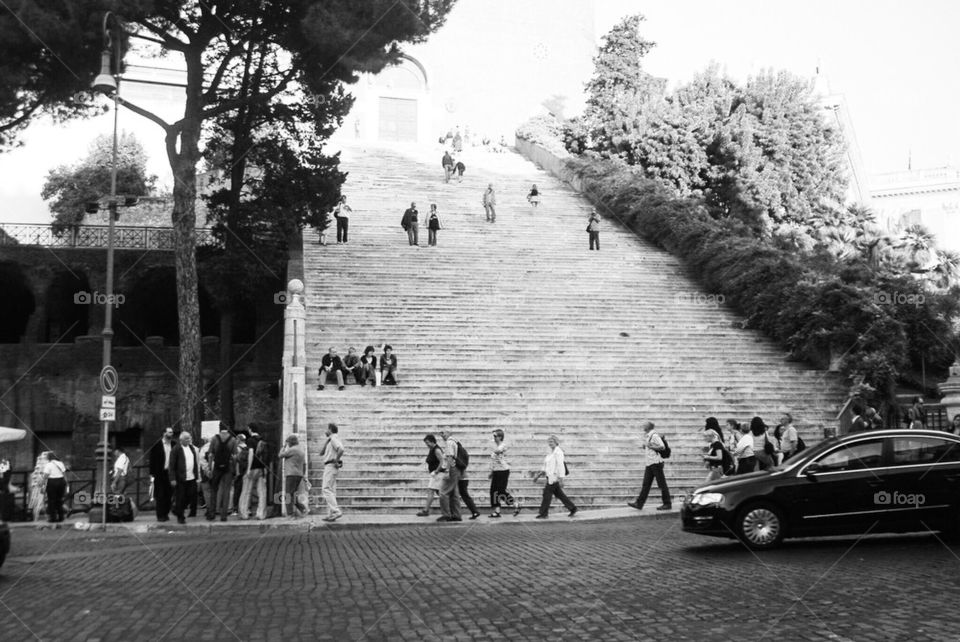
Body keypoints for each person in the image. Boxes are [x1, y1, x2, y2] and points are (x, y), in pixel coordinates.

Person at [627, 422, 672, 511]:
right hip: (650, 463)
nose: (643, 426)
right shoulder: (648, 435)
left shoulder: (654, 435)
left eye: (644, 425)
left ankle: (667, 503)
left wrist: (650, 446)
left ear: (648, 427)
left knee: (661, 484)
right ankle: (639, 503)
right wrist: (646, 446)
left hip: (656, 463)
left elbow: (662, 447)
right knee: (646, 484)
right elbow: (651, 446)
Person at [533, 435, 577, 518]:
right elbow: (545, 465)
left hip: (554, 477)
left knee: (546, 494)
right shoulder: (550, 452)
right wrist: (538, 475)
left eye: (552, 442)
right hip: (549, 476)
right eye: (549, 442)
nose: (550, 443)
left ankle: (543, 513)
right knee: (560, 495)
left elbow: (561, 465)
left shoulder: (558, 452)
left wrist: (561, 479)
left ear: (556, 442)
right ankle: (572, 508)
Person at [206, 424, 237, 522]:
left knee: (214, 489)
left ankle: (212, 513)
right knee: (227, 490)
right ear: (227, 429)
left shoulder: (214, 439)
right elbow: (235, 456)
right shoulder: (233, 440)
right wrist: (234, 468)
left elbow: (210, 454)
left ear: (219, 429)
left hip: (217, 468)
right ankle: (224, 515)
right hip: (228, 468)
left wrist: (210, 468)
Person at [169, 431, 200, 524]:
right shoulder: (176, 449)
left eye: (189, 438)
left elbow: (195, 462)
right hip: (181, 478)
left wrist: (196, 476)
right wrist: (172, 478)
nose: (189, 440)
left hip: (191, 477)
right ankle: (180, 516)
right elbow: (172, 465)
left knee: (191, 495)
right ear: (181, 440)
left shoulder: (191, 448)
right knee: (180, 497)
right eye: (186, 439)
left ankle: (176, 509)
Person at [488, 429, 520, 518]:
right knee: (493, 491)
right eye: (493, 436)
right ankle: (497, 511)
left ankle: (515, 504)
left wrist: (492, 446)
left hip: (503, 471)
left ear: (500, 437)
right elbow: (493, 460)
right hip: (496, 471)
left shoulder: (503, 445)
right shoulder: (495, 446)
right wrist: (491, 471)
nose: (494, 438)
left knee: (501, 490)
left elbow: (498, 451)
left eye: (495, 436)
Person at [239, 429, 269, 520]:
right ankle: (261, 514)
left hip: (252, 469)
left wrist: (248, 468)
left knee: (247, 491)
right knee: (262, 492)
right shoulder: (262, 440)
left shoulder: (250, 440)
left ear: (250, 429)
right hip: (261, 469)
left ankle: (244, 513)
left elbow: (251, 454)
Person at [149, 426, 176, 522]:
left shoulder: (174, 445)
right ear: (164, 433)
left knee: (169, 495)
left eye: (172, 433)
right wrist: (152, 473)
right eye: (169, 432)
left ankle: (166, 513)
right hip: (160, 473)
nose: (171, 434)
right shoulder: (157, 445)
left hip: (170, 473)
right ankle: (160, 515)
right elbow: (152, 460)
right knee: (160, 495)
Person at [436, 429, 463, 522]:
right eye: (440, 433)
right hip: (455, 469)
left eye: (443, 432)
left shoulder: (449, 443)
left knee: (443, 492)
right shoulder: (455, 441)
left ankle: (446, 514)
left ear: (448, 433)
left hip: (451, 469)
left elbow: (450, 457)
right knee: (454, 493)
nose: (441, 435)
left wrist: (447, 471)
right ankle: (457, 514)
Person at [320, 423, 345, 522]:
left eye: (326, 429)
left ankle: (336, 511)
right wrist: (327, 442)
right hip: (330, 466)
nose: (325, 431)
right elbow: (321, 453)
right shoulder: (331, 440)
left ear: (330, 429)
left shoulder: (334, 438)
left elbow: (341, 449)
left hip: (330, 465)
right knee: (331, 490)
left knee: (325, 489)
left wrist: (336, 460)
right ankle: (331, 514)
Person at [417, 434, 445, 516]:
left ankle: (426, 510)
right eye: (426, 443)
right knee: (440, 493)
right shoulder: (432, 449)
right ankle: (447, 510)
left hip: (438, 474)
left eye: (427, 442)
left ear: (433, 441)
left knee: (431, 491)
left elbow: (442, 462)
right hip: (436, 474)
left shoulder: (437, 450)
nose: (427, 444)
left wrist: (436, 471)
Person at [280, 434, 307, 518]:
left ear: (290, 442)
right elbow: (304, 464)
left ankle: (290, 514)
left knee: (288, 495)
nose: (287, 444)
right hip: (299, 475)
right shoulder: (301, 451)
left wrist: (283, 446)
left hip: (291, 474)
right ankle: (303, 509)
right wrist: (303, 474)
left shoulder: (292, 450)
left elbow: (280, 455)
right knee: (292, 495)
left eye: (288, 442)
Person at [43, 451, 67, 523]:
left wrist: (42, 482)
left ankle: (53, 517)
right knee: (59, 500)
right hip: (61, 481)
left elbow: (46, 475)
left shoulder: (48, 465)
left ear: (49, 458)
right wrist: (66, 483)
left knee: (51, 500)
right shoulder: (60, 463)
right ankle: (61, 517)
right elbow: (64, 474)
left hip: (52, 482)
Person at [28, 452, 48, 521]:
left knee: (39, 504)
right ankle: (36, 519)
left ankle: (37, 518)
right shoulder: (41, 469)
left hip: (38, 488)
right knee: (38, 504)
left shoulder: (38, 470)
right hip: (39, 488)